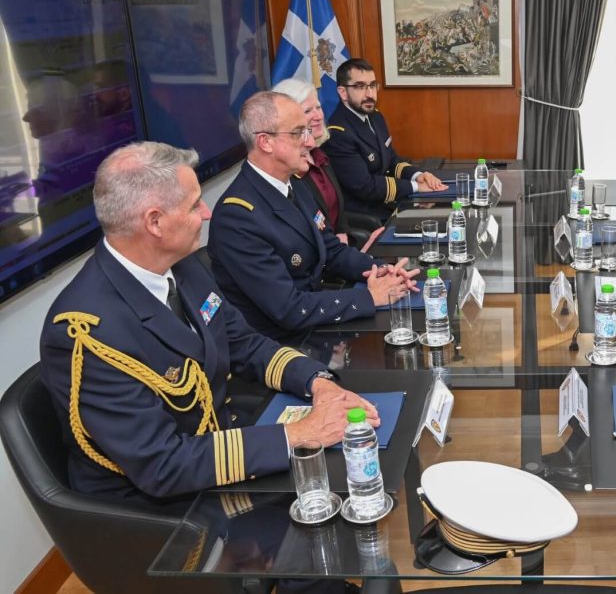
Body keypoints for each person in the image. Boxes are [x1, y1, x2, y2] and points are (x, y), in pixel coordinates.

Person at [38, 142, 379, 502]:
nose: (206, 213)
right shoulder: (86, 333)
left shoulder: (182, 266)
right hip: (161, 509)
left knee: (357, 465)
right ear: (154, 222)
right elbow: (162, 465)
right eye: (193, 205)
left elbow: (244, 343)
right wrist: (301, 433)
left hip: (216, 450)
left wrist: (316, 381)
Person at [208, 91, 418, 341]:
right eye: (298, 133)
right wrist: (370, 297)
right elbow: (289, 309)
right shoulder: (237, 217)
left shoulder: (293, 183)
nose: (309, 142)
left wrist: (381, 270)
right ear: (265, 142)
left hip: (317, 320)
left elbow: (331, 249)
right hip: (282, 344)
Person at [321, 58, 448, 222]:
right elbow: (365, 187)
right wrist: (416, 187)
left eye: (373, 85)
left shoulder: (375, 116)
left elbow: (391, 160)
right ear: (343, 92)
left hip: (389, 203)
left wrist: (417, 175)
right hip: (368, 216)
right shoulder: (338, 133)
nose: (370, 94)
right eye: (360, 86)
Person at [271, 78, 384, 252]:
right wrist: (345, 254)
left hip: (339, 249)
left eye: (318, 107)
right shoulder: (287, 169)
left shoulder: (320, 155)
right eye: (307, 111)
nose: (318, 116)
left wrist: (343, 235)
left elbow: (337, 209)